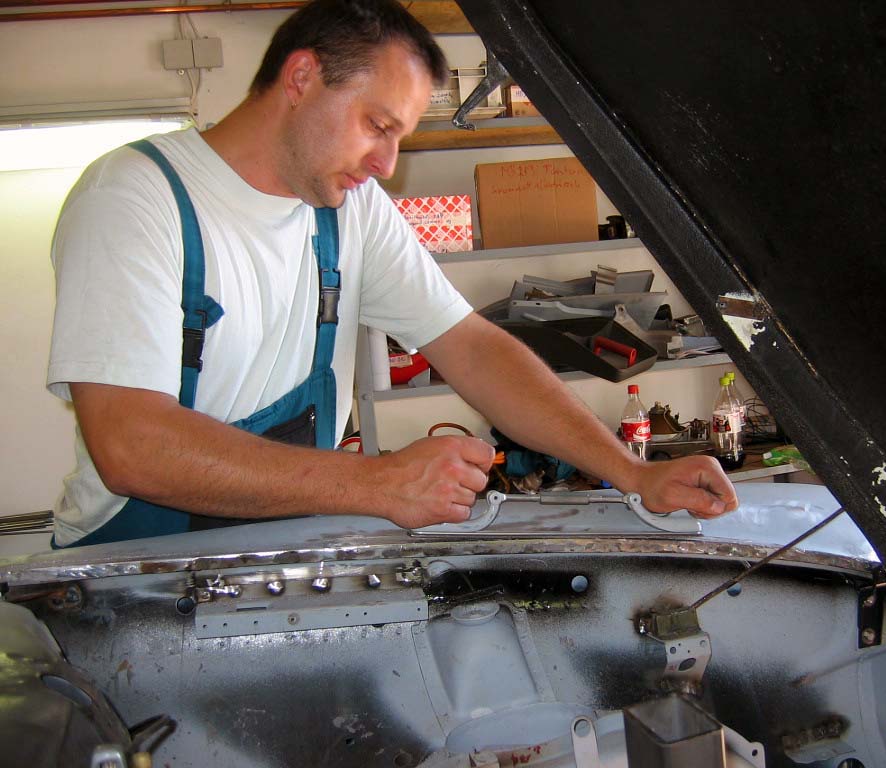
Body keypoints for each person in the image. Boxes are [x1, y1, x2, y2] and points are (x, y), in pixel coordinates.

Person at [46, 0, 738, 548]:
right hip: (136, 568)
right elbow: (131, 446)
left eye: (399, 137)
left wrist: (631, 473)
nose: (387, 164)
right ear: (301, 78)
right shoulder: (136, 198)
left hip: (284, 548)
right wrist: (375, 483)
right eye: (378, 125)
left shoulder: (350, 209)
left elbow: (472, 347)